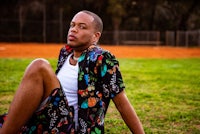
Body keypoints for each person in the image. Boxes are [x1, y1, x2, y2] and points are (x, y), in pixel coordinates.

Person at [0, 10, 144, 134]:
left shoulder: (101, 58)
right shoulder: (65, 53)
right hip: (49, 118)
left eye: (82, 27)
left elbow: (122, 103)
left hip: (74, 128)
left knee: (40, 66)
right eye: (72, 25)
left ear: (95, 36)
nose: (74, 29)